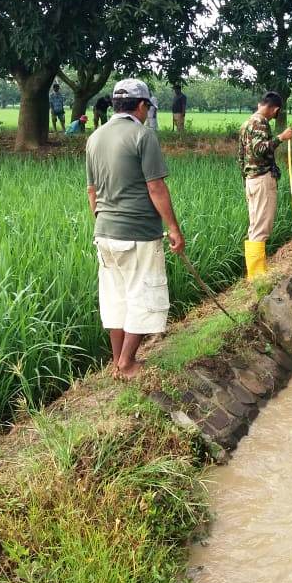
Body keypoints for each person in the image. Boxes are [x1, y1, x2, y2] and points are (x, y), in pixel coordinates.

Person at [85, 79, 184, 379]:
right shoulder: (143, 136)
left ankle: (118, 362)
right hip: (138, 232)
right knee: (143, 296)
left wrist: (105, 223)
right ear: (141, 106)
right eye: (147, 108)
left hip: (105, 232)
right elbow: (155, 187)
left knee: (116, 298)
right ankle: (127, 363)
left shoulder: (95, 137)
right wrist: (174, 229)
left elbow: (92, 192)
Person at [238, 92, 292, 279]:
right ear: (275, 109)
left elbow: (241, 156)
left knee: (255, 226)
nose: (274, 116)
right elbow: (260, 150)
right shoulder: (261, 122)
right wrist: (281, 137)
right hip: (262, 179)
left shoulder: (246, 123)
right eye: (276, 113)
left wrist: (246, 178)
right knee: (261, 228)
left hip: (251, 180)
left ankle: (255, 274)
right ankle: (257, 276)